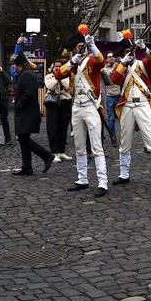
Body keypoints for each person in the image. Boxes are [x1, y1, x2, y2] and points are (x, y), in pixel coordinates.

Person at [110, 33, 151, 189]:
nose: (130, 53)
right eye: (126, 51)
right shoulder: (120, 67)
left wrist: (144, 48)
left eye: (131, 51)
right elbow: (114, 80)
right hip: (127, 105)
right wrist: (123, 62)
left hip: (143, 105)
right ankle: (124, 174)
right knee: (125, 143)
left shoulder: (142, 64)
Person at [55, 30, 109, 196]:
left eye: (83, 46)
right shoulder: (73, 64)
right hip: (77, 106)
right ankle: (82, 179)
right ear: (73, 49)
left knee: (96, 146)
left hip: (91, 105)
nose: (82, 49)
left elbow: (101, 61)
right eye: (79, 47)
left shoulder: (92, 60)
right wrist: (73, 61)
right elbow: (58, 75)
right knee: (79, 146)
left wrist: (92, 45)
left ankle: (103, 182)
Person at [10, 53, 53, 176]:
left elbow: (29, 94)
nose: (13, 67)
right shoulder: (25, 74)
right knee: (23, 139)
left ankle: (46, 155)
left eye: (14, 65)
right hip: (25, 113)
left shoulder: (26, 75)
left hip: (27, 113)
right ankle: (27, 167)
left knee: (23, 138)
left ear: (19, 65)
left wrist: (19, 104)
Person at [44, 60, 73, 163]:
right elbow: (50, 86)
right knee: (53, 128)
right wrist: (57, 77)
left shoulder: (66, 76)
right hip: (53, 104)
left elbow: (68, 86)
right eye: (56, 66)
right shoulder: (49, 77)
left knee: (63, 128)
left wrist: (61, 76)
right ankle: (54, 152)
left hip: (65, 103)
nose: (58, 68)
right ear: (52, 68)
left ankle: (61, 151)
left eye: (60, 66)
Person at [102, 51, 121, 142]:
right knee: (111, 118)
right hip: (110, 96)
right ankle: (113, 137)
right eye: (109, 57)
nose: (112, 58)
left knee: (124, 118)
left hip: (120, 95)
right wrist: (115, 67)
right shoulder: (104, 70)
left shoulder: (120, 67)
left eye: (113, 56)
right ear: (106, 59)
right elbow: (109, 77)